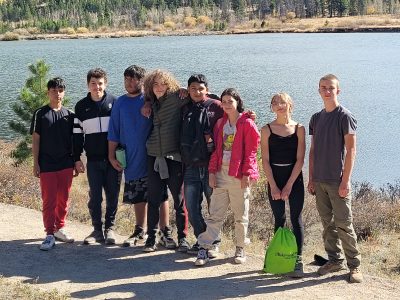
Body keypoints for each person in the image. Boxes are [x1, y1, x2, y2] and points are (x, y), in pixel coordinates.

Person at [195, 88, 260, 266]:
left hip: (239, 175)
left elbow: (252, 152)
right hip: (221, 173)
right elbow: (216, 151)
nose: (226, 105)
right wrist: (212, 172)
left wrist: (247, 174)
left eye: (230, 101)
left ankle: (240, 248)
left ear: (237, 102)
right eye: (223, 102)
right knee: (215, 213)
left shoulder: (247, 123)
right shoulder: (220, 124)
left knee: (241, 216)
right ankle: (205, 246)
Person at [308, 74, 362, 283]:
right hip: (319, 180)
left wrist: (345, 180)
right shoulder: (316, 118)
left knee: (344, 224)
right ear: (319, 90)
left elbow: (351, 151)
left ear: (338, 90)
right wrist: (311, 178)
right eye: (323, 88)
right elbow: (312, 151)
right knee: (327, 224)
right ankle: (334, 260)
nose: (327, 91)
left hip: (337, 180)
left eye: (331, 88)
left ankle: (355, 266)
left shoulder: (344, 116)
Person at [107, 65, 170, 247]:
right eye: (127, 79)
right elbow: (113, 132)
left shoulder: (151, 98)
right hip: (132, 158)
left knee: (160, 195)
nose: (130, 82)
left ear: (143, 82)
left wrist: (150, 101)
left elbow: (173, 95)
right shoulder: (120, 103)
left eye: (135, 79)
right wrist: (112, 156)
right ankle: (139, 231)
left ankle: (165, 231)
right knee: (138, 195)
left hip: (154, 157)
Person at [142, 69, 190, 253]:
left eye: (163, 84)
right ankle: (151, 238)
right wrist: (147, 101)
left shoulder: (177, 98)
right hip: (154, 155)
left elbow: (203, 96)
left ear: (170, 84)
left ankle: (183, 238)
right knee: (153, 199)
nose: (160, 87)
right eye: (155, 84)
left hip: (173, 156)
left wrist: (241, 112)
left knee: (179, 200)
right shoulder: (151, 102)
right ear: (150, 87)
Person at [73, 68, 121, 245]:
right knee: (95, 197)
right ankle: (96, 230)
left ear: (105, 84)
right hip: (93, 159)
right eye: (93, 83)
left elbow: (121, 131)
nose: (97, 87)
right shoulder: (81, 106)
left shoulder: (115, 102)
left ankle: (110, 229)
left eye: (100, 83)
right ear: (88, 85)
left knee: (113, 194)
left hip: (113, 159)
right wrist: (77, 158)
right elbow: (77, 135)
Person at [260, 92, 305, 277]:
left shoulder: (299, 128)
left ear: (290, 105)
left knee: (296, 219)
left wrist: (288, 186)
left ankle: (297, 261)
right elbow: (265, 161)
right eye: (275, 103)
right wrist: (274, 185)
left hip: (294, 177)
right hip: (274, 177)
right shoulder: (266, 130)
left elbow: (300, 159)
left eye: (283, 102)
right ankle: (279, 258)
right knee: (279, 219)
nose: (279, 105)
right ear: (272, 107)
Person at [31, 77, 76, 251]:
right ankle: (49, 233)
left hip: (65, 163)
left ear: (63, 92)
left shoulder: (69, 114)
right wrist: (36, 163)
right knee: (49, 200)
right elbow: (36, 140)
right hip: (47, 164)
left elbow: (74, 140)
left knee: (63, 199)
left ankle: (60, 228)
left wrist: (75, 161)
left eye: (60, 90)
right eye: (53, 91)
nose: (57, 94)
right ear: (48, 92)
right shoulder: (40, 114)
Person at [180, 74, 224, 255]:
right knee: (191, 206)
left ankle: (214, 242)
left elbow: (235, 116)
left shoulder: (217, 106)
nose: (197, 92)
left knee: (214, 207)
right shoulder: (185, 107)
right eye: (193, 89)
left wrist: (249, 115)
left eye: (201, 89)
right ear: (188, 89)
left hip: (211, 166)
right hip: (190, 164)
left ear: (207, 89)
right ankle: (202, 240)